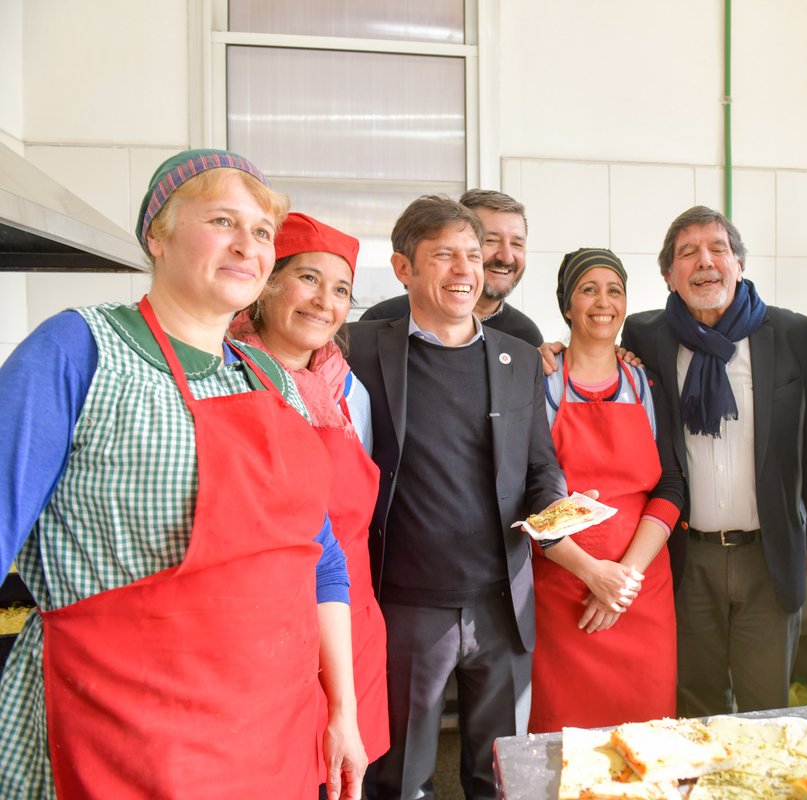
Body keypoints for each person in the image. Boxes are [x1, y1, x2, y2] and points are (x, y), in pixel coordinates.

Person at [0, 149, 366, 798]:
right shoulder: (79, 351)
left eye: (259, 231)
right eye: (222, 220)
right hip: (113, 727)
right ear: (157, 236)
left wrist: (342, 713)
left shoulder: (272, 380)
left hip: (264, 731)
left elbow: (321, 557)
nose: (246, 245)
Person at [347, 195, 567, 800]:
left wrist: (555, 507)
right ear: (403, 268)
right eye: (443, 255)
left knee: (500, 779)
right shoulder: (358, 349)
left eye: (472, 254)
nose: (465, 269)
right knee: (400, 779)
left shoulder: (519, 358)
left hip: (503, 604)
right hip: (406, 606)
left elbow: (541, 466)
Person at [620, 206, 807, 717]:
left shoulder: (794, 334)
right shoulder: (645, 336)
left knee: (767, 708)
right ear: (669, 275)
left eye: (717, 249)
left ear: (739, 263)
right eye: (686, 253)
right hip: (687, 557)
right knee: (696, 703)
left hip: (770, 553)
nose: (704, 262)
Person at [228, 212, 390, 781]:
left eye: (341, 288)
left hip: (354, 622)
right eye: (309, 279)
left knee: (348, 780)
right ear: (267, 284)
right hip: (270, 628)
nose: (325, 301)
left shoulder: (349, 390)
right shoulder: (230, 379)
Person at [530, 248, 685, 733]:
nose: (603, 302)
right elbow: (529, 492)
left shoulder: (645, 382)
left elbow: (671, 485)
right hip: (563, 590)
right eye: (588, 289)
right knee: (562, 735)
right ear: (567, 305)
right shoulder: (540, 382)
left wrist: (623, 580)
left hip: (641, 590)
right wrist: (592, 573)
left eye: (614, 290)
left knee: (645, 737)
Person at [359, 189, 542, 348]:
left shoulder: (526, 336)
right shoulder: (381, 320)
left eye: (517, 244)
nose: (507, 257)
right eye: (491, 240)